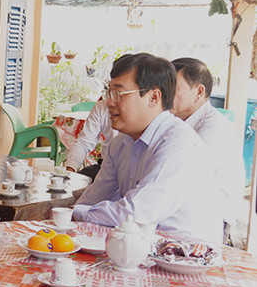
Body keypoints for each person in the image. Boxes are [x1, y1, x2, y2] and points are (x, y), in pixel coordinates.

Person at [73, 53, 223, 244]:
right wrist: (72, 214)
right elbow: (94, 198)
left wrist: (78, 213)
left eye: (118, 94)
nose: (109, 102)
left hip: (185, 256)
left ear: (153, 97)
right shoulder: (120, 143)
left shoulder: (178, 143)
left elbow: (136, 214)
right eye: (108, 93)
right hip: (141, 247)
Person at [171, 57, 244, 243]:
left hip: (209, 221)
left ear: (199, 92)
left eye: (173, 87)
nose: (165, 94)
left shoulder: (215, 128)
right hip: (182, 212)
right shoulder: (177, 122)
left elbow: (182, 175)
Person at [64, 99, 117, 180]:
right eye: (109, 92)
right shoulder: (102, 107)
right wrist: (70, 171)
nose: (110, 101)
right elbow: (84, 143)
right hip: (105, 166)